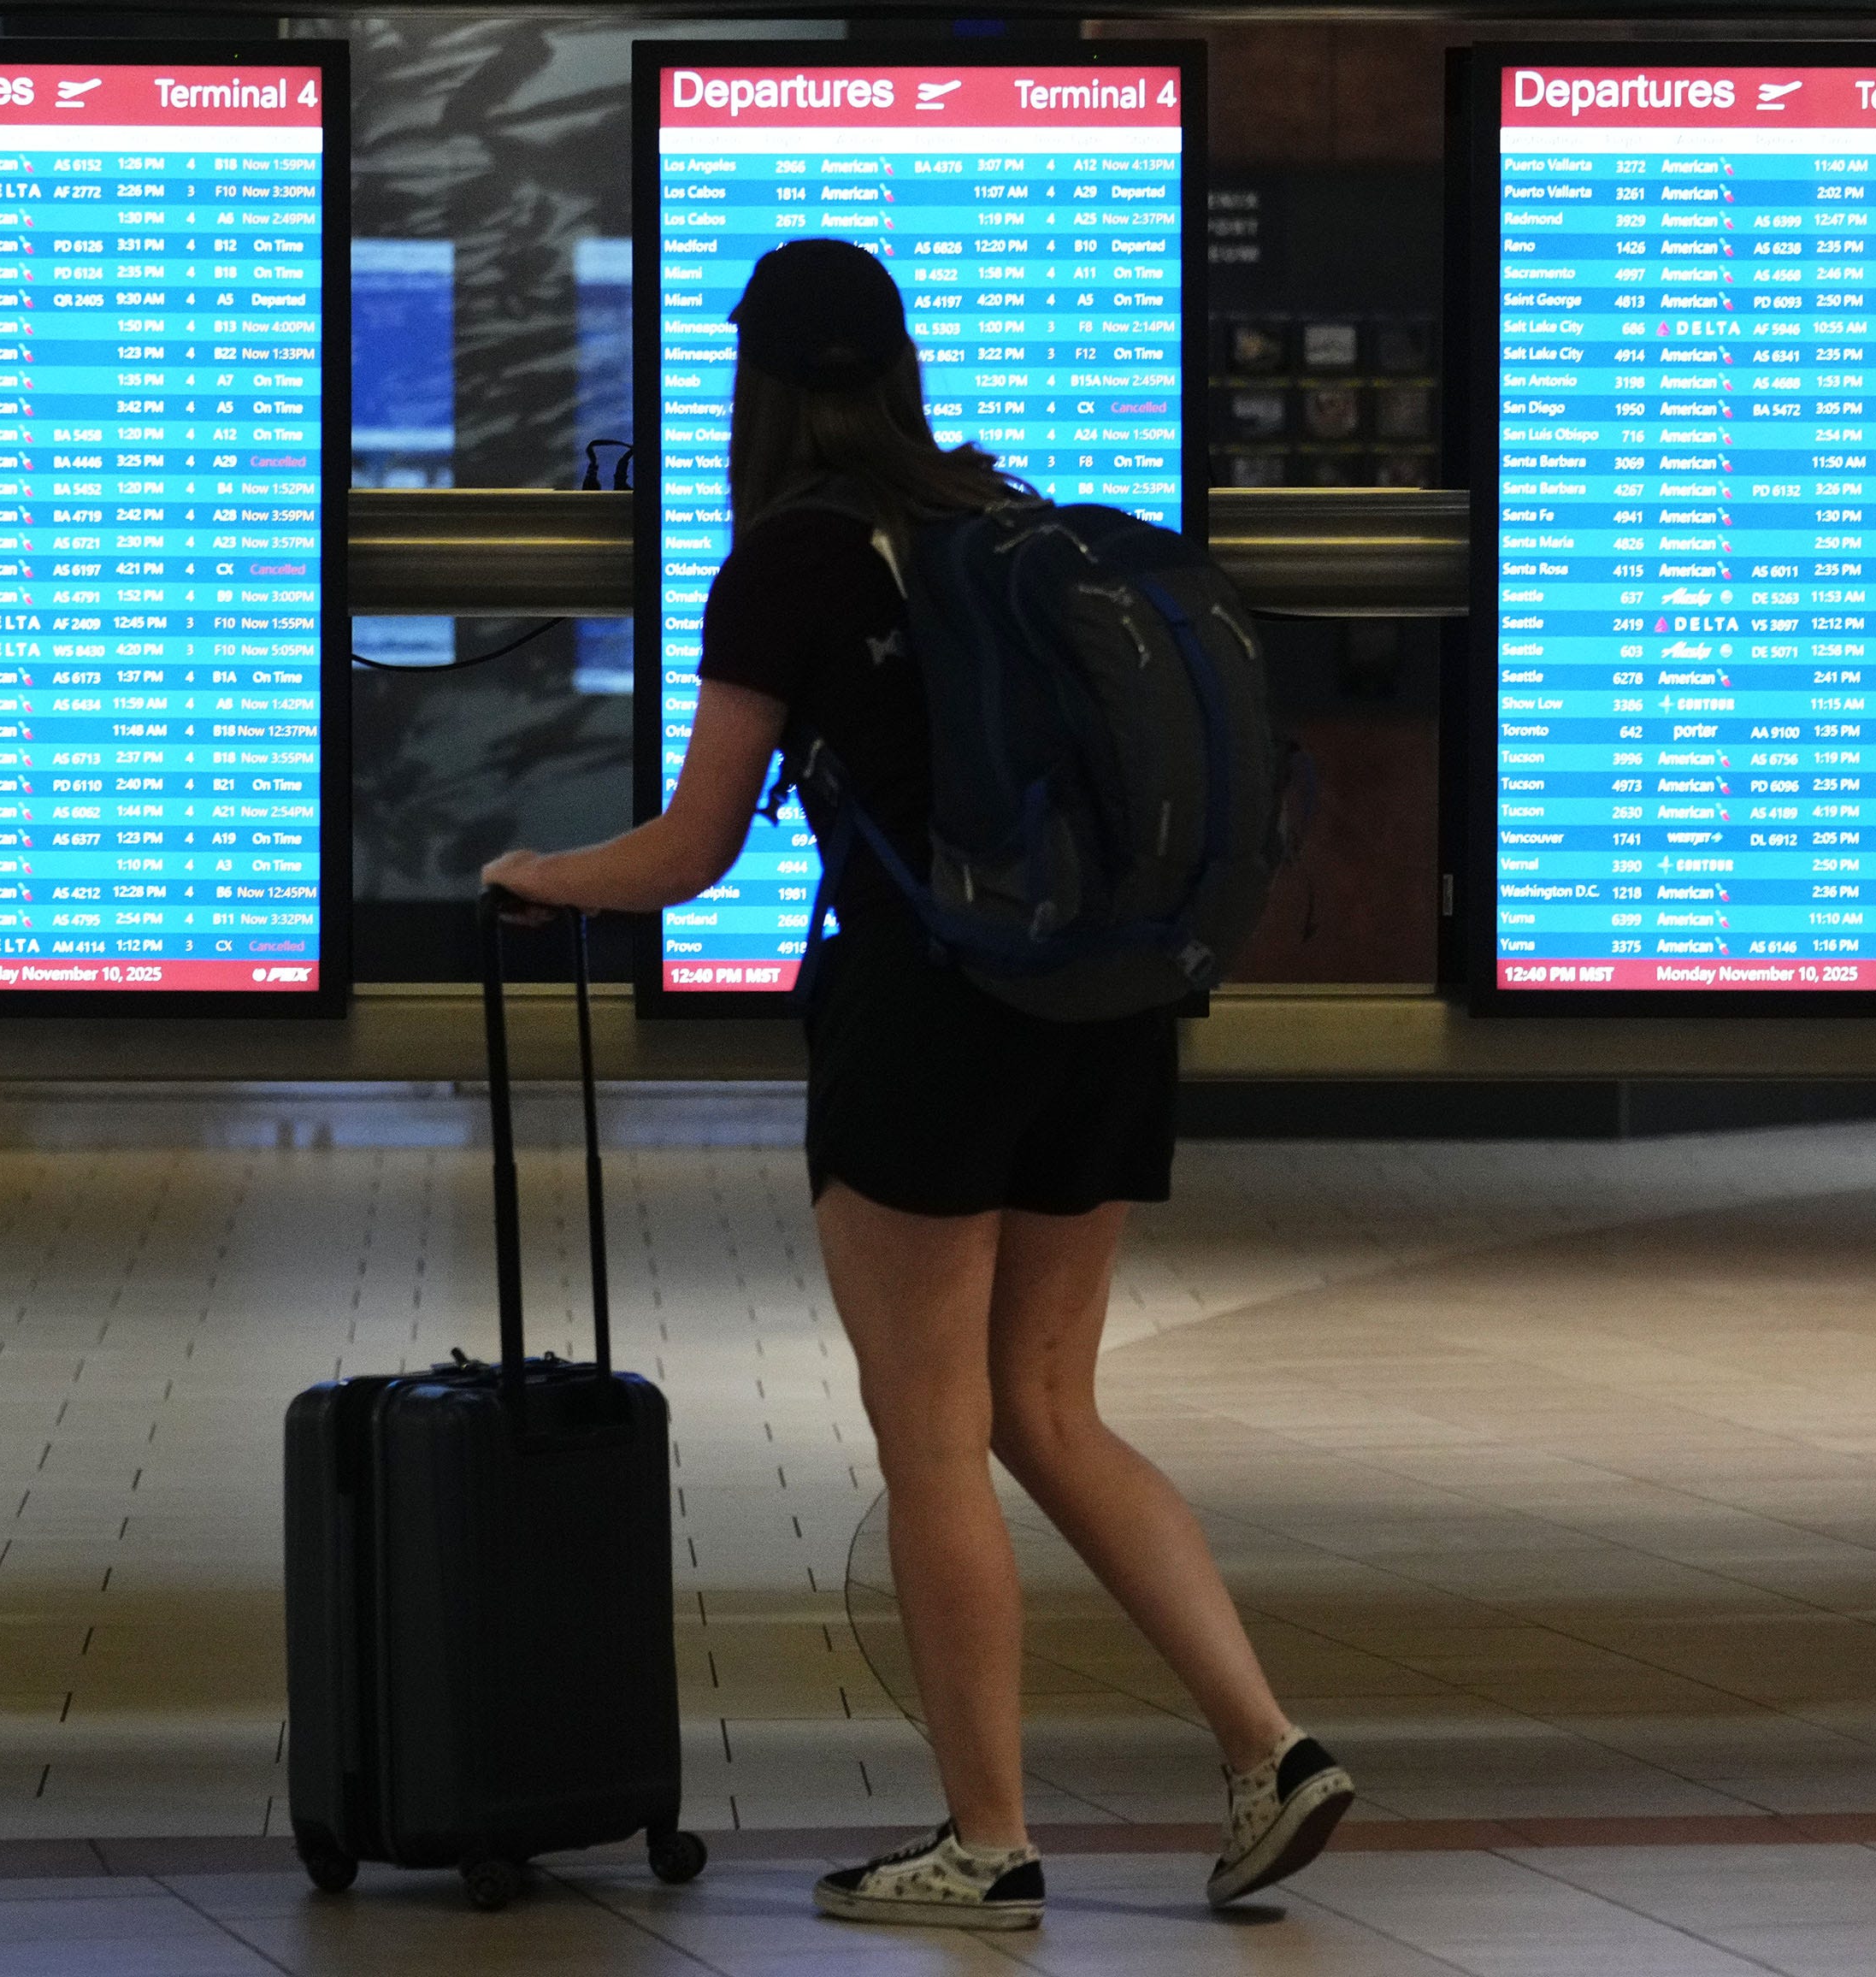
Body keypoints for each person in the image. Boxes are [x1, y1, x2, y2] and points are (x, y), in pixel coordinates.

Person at [482, 238, 1353, 1930]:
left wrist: (536, 872)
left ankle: (988, 1834)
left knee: (934, 1436)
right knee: (1050, 1408)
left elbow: (692, 846)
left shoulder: (792, 565)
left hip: (933, 1014)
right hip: (1103, 1004)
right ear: (895, 369)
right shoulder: (992, 515)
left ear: (758, 386)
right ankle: (1270, 1743)